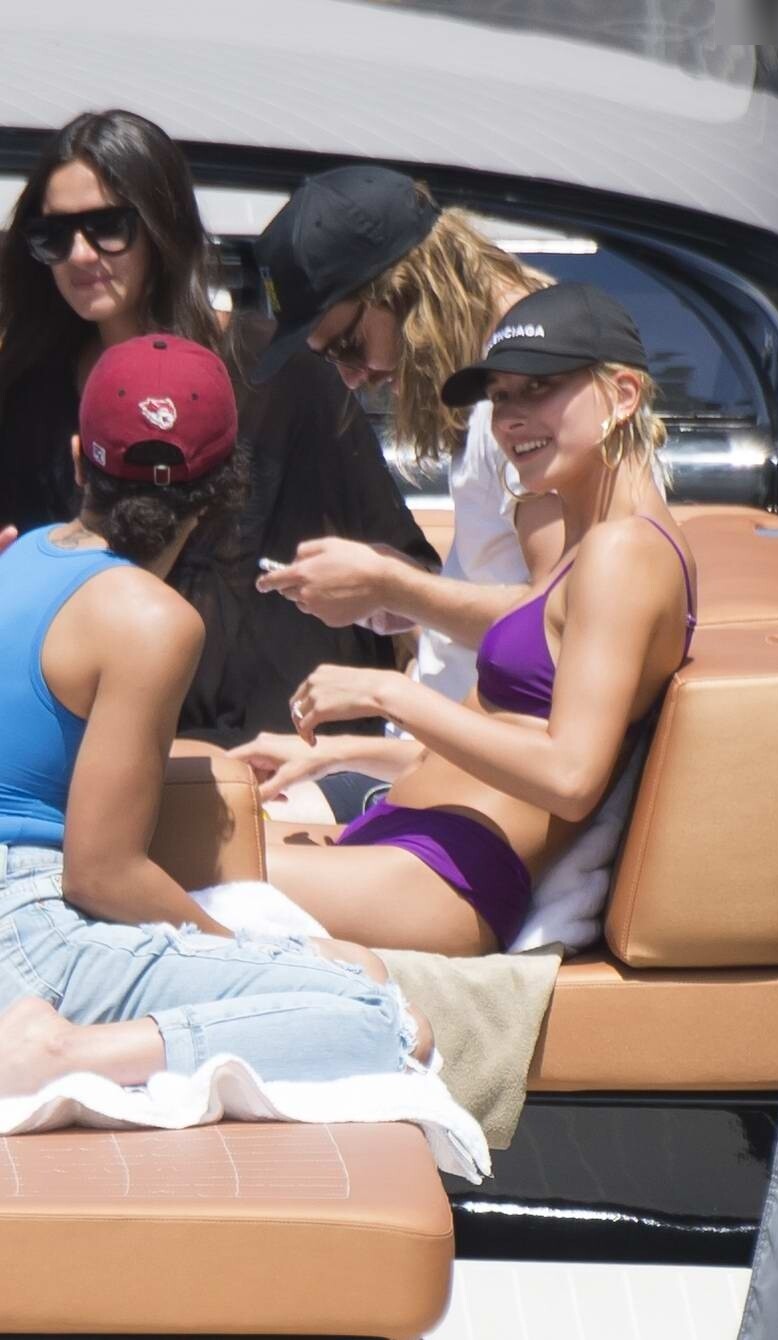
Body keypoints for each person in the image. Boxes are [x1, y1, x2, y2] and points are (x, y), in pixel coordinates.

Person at [0, 333, 429, 1099]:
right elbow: (101, 874)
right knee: (383, 1016)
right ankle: (59, 1058)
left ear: (78, 462)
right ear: (226, 489)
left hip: (25, 925)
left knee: (353, 967)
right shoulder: (152, 619)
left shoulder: (24, 554)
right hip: (29, 937)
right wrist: (236, 952)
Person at [243, 283, 696, 958]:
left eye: (539, 388)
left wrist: (388, 694)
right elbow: (512, 740)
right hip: (413, 843)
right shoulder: (587, 544)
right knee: (172, 823)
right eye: (501, 396)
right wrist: (338, 753)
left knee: (145, 859)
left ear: (624, 394)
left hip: (444, 878)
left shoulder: (624, 551)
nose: (510, 418)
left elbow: (570, 779)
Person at [0, 110, 438, 745]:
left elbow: (404, 584)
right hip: (104, 749)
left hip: (287, 755)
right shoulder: (26, 394)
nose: (80, 254)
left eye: (108, 227)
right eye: (52, 235)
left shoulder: (280, 374)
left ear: (161, 225)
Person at [234, 165, 564, 819]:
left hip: (478, 799)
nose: (352, 378)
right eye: (332, 358)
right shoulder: (499, 394)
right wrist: (402, 595)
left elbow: (561, 625)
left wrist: (395, 589)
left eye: (349, 345)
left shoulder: (527, 407)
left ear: (405, 285)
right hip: (437, 768)